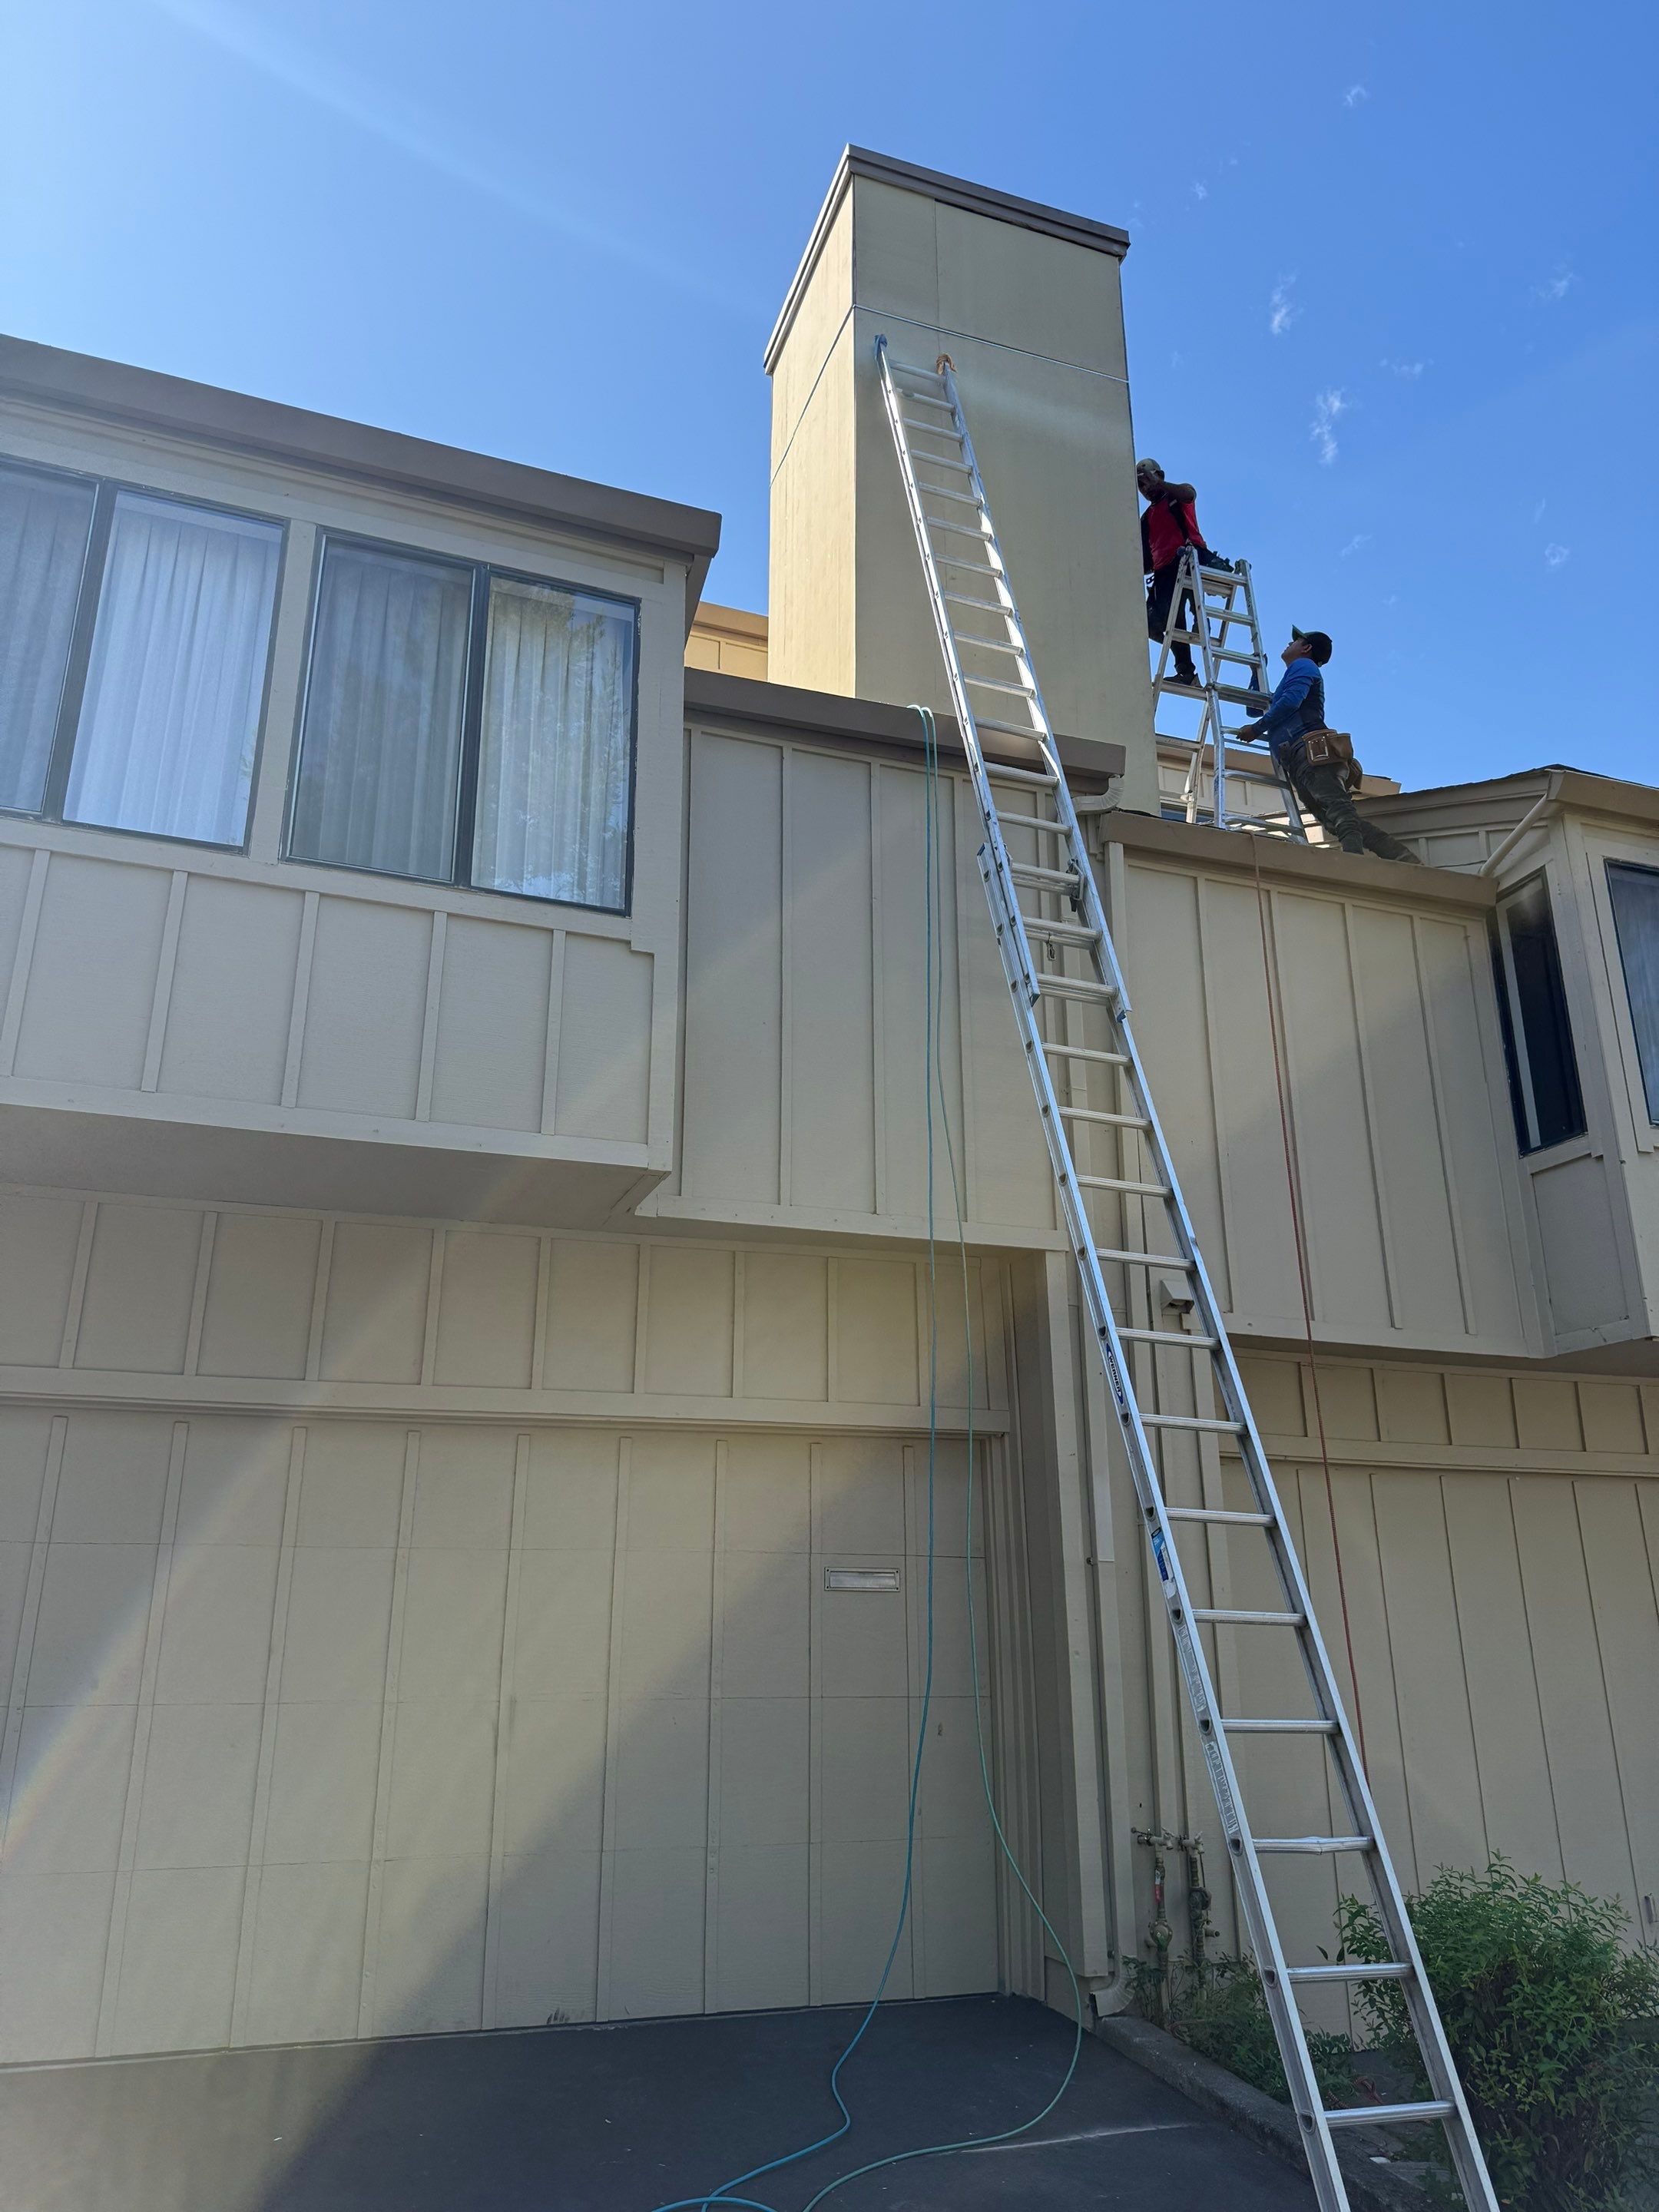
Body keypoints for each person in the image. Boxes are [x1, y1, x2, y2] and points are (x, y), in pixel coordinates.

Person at [1237, 629, 1419, 861]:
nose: (1288, 643)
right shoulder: (1295, 674)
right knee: (1334, 818)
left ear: (1306, 648)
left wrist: (1256, 729)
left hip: (1309, 751)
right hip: (1299, 757)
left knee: (1338, 810)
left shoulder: (1303, 666)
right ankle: (1400, 857)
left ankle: (1355, 861)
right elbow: (1255, 709)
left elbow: (1290, 703)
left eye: (1295, 641)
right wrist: (1256, 674)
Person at [1137, 459, 1206, 689]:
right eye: (1141, 485)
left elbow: (1189, 493)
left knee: (1173, 612)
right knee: (1154, 623)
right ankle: (1186, 671)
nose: (1145, 488)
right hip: (1164, 572)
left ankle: (1200, 620)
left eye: (1147, 480)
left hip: (1189, 558)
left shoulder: (1175, 497)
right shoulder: (1147, 518)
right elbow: (1146, 559)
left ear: (1160, 475)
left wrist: (1161, 483)